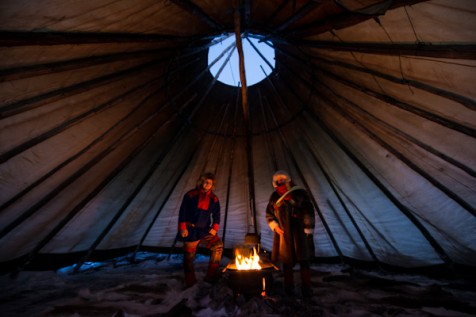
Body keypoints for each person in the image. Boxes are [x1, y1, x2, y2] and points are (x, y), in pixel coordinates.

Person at [265, 170, 316, 297]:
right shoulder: (274, 197)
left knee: (304, 259)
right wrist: (275, 226)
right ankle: (289, 287)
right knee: (287, 261)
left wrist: (308, 228)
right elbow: (269, 214)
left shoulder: (299, 193)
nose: (281, 182)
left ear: (288, 179)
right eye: (279, 180)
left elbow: (308, 211)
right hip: (284, 233)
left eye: (283, 179)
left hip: (300, 231)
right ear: (275, 182)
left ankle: (306, 287)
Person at [177, 172, 223, 288]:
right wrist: (182, 227)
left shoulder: (214, 199)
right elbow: (182, 211)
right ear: (201, 182)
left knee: (218, 246)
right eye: (206, 182)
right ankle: (190, 282)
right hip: (190, 230)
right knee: (189, 257)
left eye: (210, 183)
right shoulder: (190, 195)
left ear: (212, 185)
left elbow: (217, 214)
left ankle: (210, 276)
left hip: (204, 231)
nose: (208, 184)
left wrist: (214, 228)